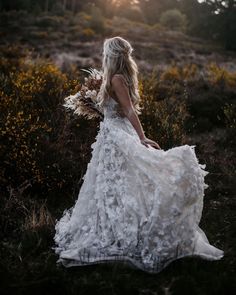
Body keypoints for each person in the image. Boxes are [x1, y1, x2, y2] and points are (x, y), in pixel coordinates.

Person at [52, 36, 224, 273]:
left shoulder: (113, 78)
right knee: (117, 183)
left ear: (110, 55)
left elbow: (125, 109)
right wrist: (136, 134)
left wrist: (140, 136)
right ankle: (117, 228)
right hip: (112, 135)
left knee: (122, 183)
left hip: (115, 135)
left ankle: (123, 227)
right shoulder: (115, 78)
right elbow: (122, 109)